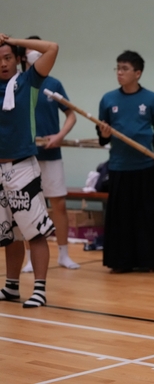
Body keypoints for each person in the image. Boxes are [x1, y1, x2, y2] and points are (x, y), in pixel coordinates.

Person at [97, 50, 154, 273]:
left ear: (137, 73)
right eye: (118, 68)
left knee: (148, 217)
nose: (119, 73)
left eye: (125, 69)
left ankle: (151, 260)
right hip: (119, 166)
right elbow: (103, 137)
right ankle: (121, 262)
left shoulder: (151, 99)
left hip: (147, 166)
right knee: (121, 218)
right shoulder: (108, 99)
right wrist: (104, 133)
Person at [0, 34, 58, 307]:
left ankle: (39, 289)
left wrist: (12, 38)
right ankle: (11, 286)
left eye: (7, 57)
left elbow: (52, 48)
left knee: (34, 232)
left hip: (22, 166)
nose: (3, 63)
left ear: (18, 59)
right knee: (9, 232)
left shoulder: (27, 81)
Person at [20, 35, 79, 272]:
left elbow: (71, 115)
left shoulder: (54, 84)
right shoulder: (18, 83)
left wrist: (60, 135)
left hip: (51, 154)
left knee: (59, 205)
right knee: (27, 207)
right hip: (25, 155)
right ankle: (29, 258)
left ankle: (64, 254)